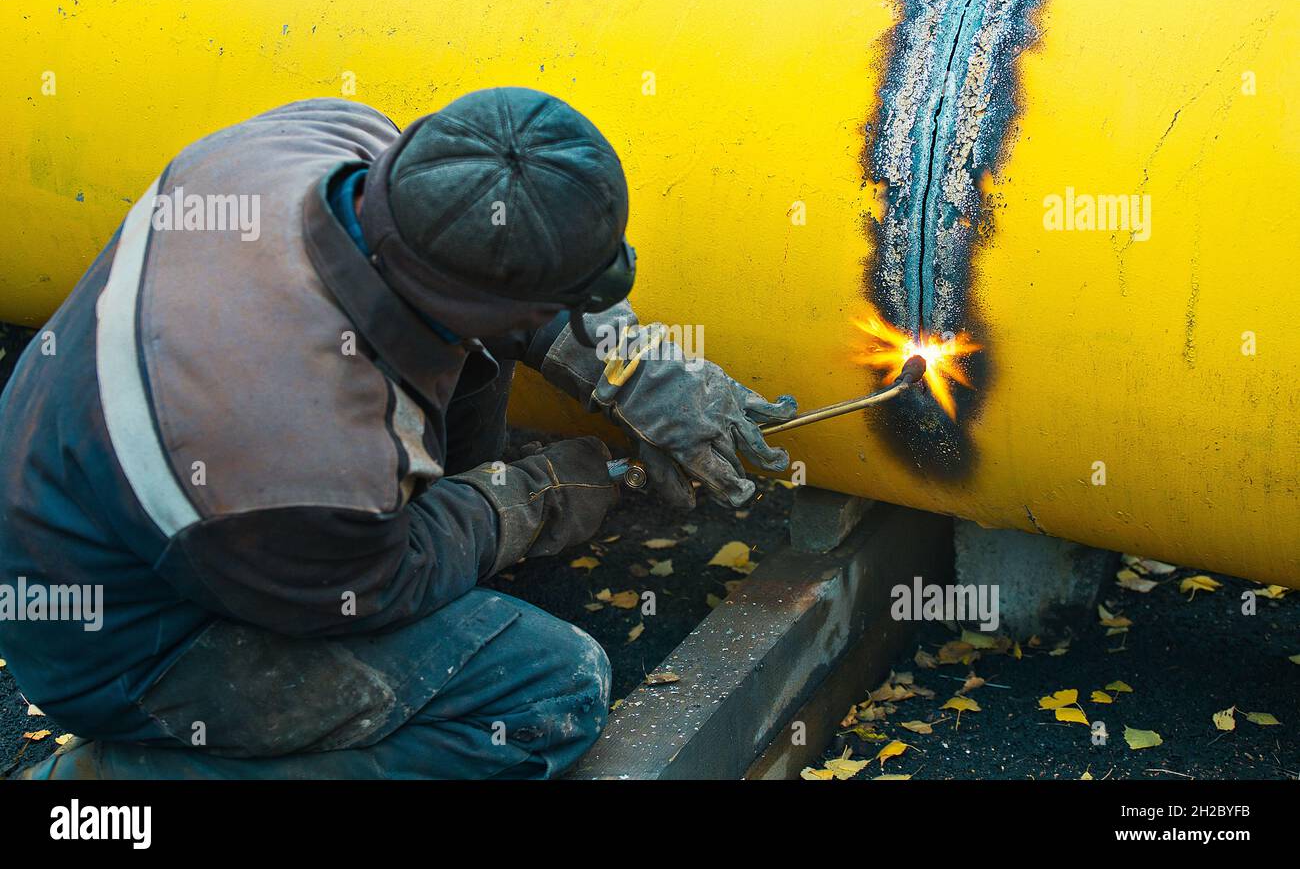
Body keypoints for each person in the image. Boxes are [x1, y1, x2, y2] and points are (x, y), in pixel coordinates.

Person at [0, 87, 795, 778]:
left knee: (470, 369)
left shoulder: (334, 140)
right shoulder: (300, 458)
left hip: (144, 494)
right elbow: (383, 579)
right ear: (483, 302)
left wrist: (641, 372)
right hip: (125, 637)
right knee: (547, 694)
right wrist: (533, 500)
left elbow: (488, 262)